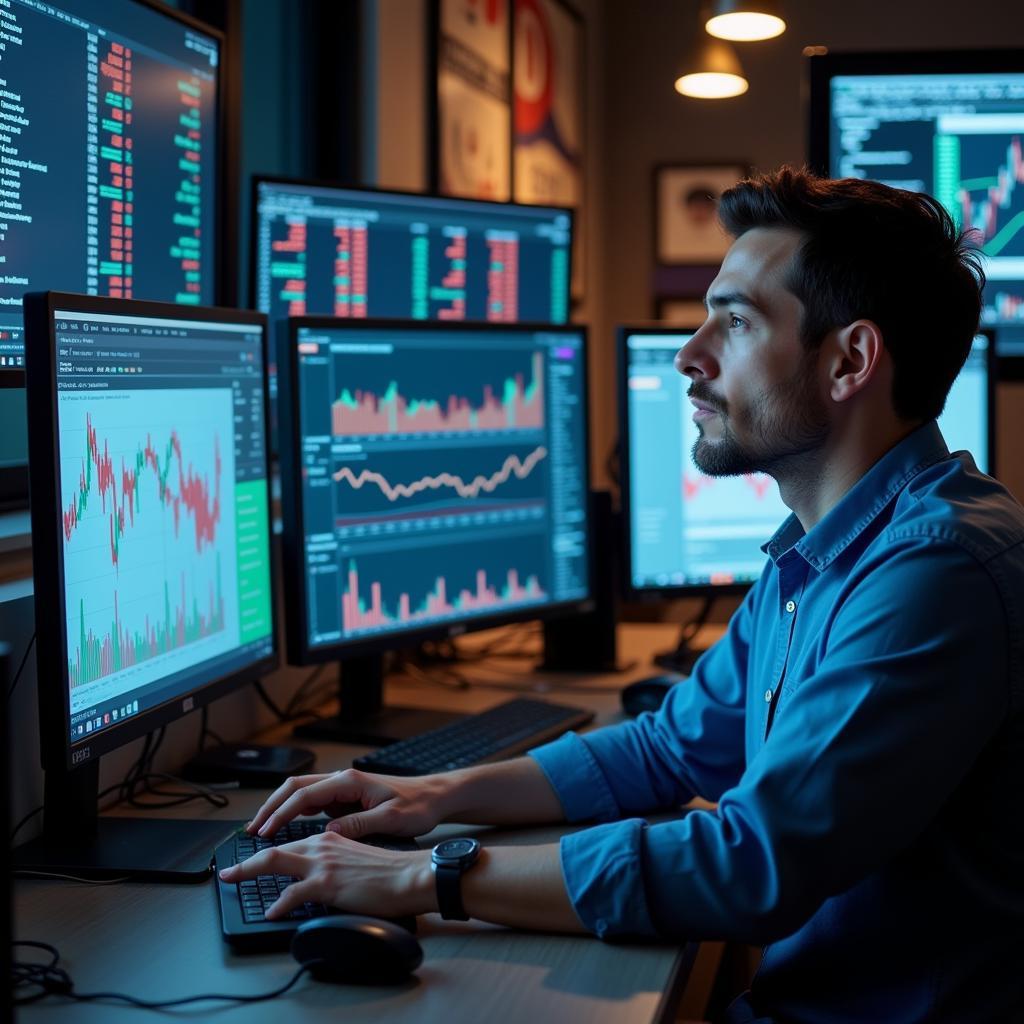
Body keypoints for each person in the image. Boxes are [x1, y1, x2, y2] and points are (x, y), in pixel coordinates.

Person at [221, 168, 1024, 1023]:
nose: (690, 354)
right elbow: (670, 750)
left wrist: (427, 875)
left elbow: (751, 864)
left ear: (849, 361)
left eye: (737, 321)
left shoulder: (934, 571)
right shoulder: (823, 553)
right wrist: (432, 798)